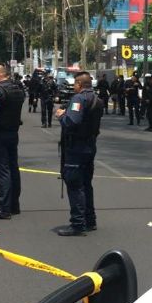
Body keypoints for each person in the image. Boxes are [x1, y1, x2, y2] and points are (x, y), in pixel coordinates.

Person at [55, 72, 103, 236]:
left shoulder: (79, 99)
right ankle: (90, 220)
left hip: (76, 148)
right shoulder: (96, 99)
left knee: (75, 185)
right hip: (89, 146)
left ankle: (77, 223)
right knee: (86, 184)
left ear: (79, 84)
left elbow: (72, 121)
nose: (74, 87)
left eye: (75, 84)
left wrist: (61, 116)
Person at [0, 63, 26, 220]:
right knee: (13, 168)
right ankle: (14, 205)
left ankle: (4, 208)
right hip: (13, 133)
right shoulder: (17, 89)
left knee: (3, 171)